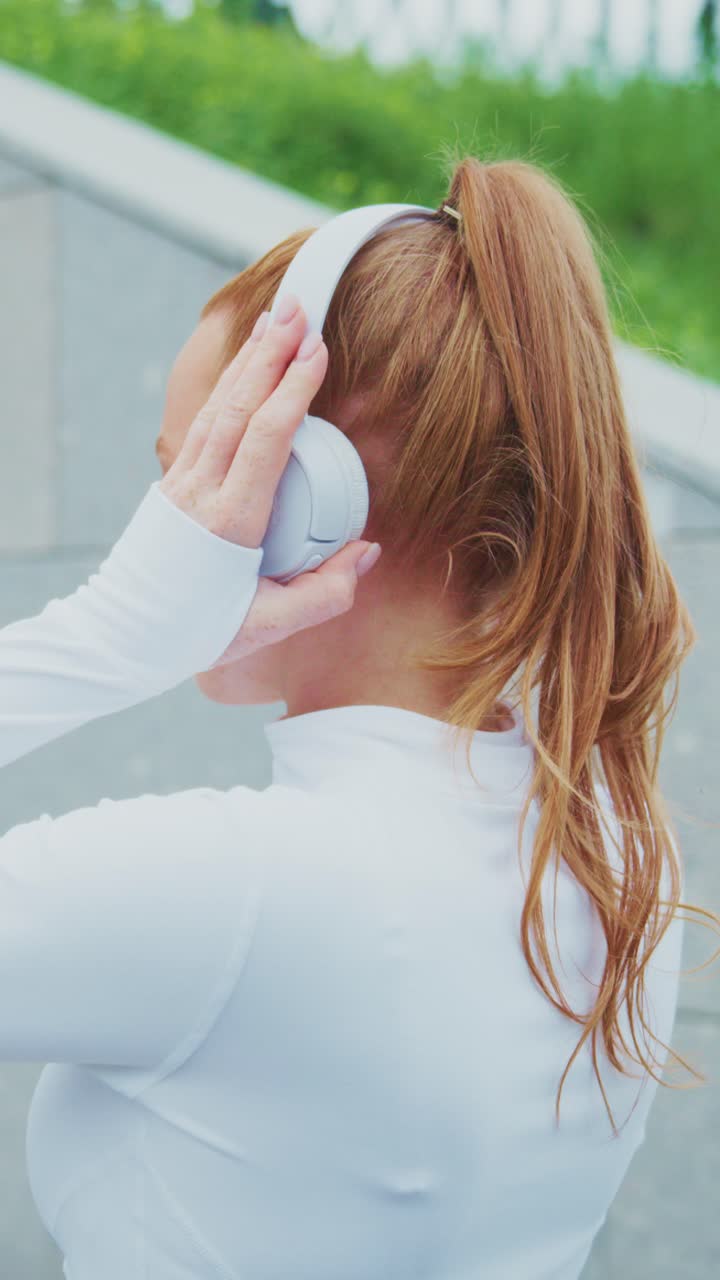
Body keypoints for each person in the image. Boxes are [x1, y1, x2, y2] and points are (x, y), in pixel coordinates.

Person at [0, 155, 706, 1280]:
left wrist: (106, 635)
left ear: (302, 503)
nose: (162, 530)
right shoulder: (617, 857)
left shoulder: (231, 886)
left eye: (191, 480)